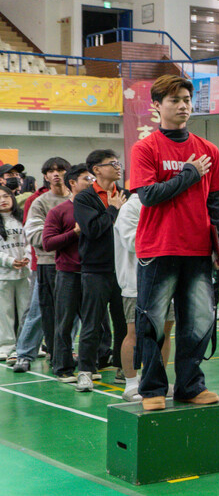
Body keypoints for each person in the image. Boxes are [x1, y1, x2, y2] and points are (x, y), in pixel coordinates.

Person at [130, 74, 219, 410]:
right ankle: (153, 389)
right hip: (158, 247)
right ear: (156, 107)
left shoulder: (208, 150)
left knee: (198, 321)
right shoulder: (145, 148)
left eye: (187, 99)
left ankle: (189, 386)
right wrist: (188, 174)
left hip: (198, 249)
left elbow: (216, 202)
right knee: (152, 322)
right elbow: (150, 196)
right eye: (174, 100)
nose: (183, 106)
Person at [73, 149, 128, 392]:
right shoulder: (85, 198)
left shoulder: (125, 194)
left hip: (122, 269)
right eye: (112, 164)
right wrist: (113, 209)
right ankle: (86, 370)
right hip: (95, 270)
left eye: (118, 163)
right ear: (96, 170)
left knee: (124, 323)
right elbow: (93, 230)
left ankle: (122, 366)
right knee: (92, 323)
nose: (118, 167)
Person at [113, 192, 175, 401]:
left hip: (167, 280)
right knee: (134, 333)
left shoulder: (168, 203)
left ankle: (158, 381)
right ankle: (131, 383)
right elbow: (133, 243)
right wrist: (167, 234)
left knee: (164, 332)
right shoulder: (131, 208)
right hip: (136, 282)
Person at [12, 157, 70, 373]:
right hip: (44, 264)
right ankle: (24, 354)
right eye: (51, 171)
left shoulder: (77, 199)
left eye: (61, 170)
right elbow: (37, 236)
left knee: (69, 314)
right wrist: (69, 236)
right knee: (37, 311)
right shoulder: (38, 202)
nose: (56, 174)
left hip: (72, 265)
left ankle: (63, 352)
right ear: (45, 176)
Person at [43, 165, 90, 382]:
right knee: (64, 322)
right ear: (72, 183)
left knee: (94, 323)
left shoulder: (97, 208)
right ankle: (62, 367)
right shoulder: (59, 211)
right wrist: (75, 233)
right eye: (86, 178)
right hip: (68, 273)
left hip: (94, 273)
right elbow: (48, 243)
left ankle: (92, 364)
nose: (91, 181)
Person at [0, 184, 29, 361]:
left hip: (25, 274)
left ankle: (26, 345)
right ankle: (6, 345)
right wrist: (10, 262)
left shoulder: (22, 219)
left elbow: (29, 242)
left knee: (26, 311)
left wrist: (26, 258)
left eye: (6, 196)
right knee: (5, 312)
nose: (3, 200)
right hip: (3, 275)